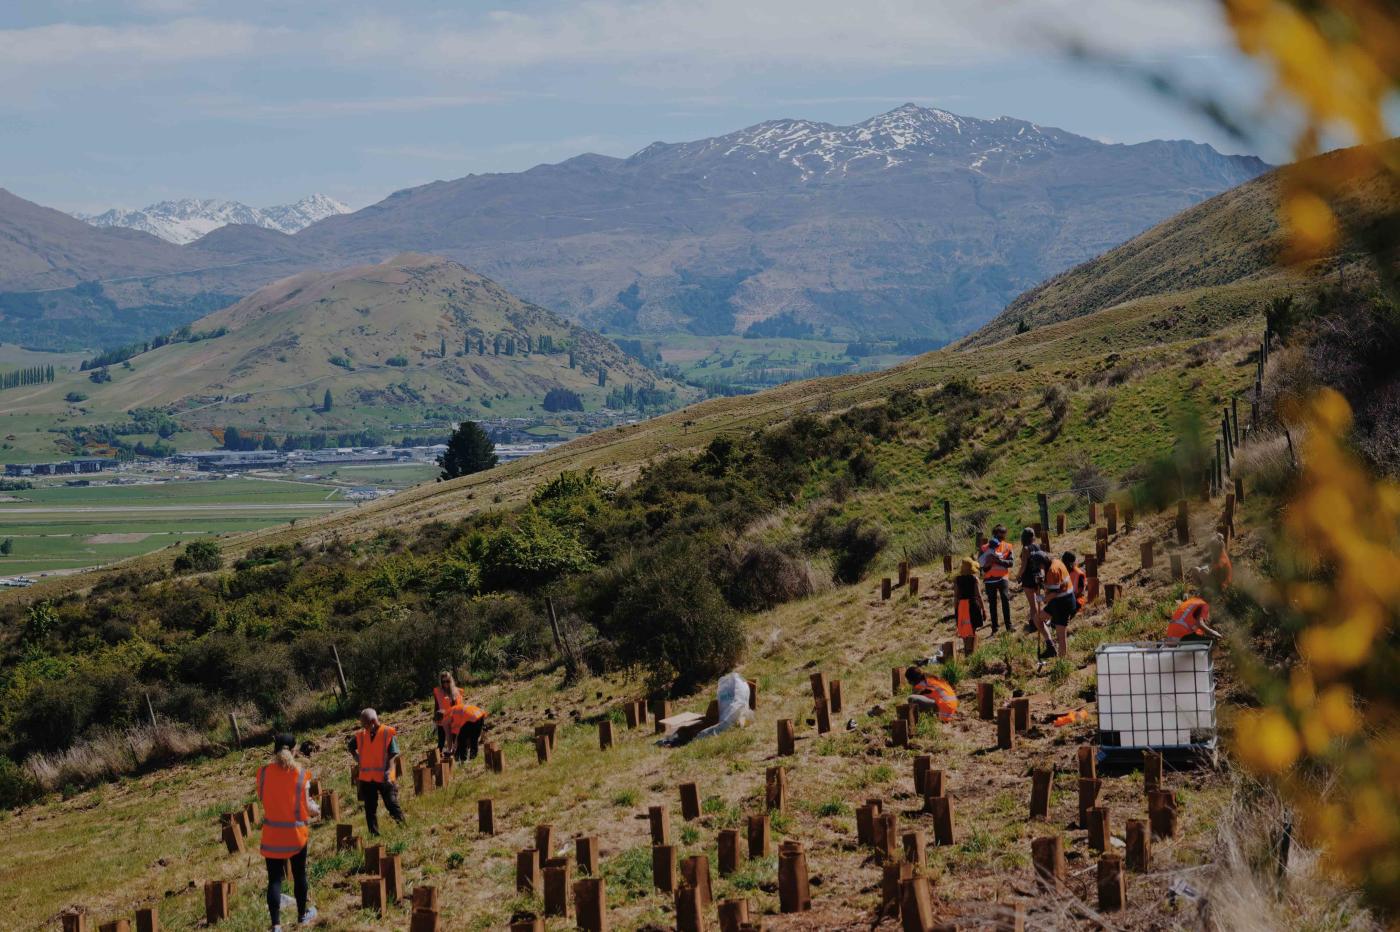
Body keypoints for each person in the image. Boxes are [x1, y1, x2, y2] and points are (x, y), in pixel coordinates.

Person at [257, 733, 319, 930]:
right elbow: (307, 806)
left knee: (274, 879)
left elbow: (262, 797)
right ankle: (302, 915)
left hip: (272, 835)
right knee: (300, 874)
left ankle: (276, 926)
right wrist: (316, 810)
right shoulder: (301, 774)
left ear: (274, 750)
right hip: (295, 835)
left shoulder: (263, 773)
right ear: (294, 750)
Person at [345, 709, 405, 837]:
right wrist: (356, 757)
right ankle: (374, 835)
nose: (363, 728)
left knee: (391, 803)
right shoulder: (361, 735)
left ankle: (403, 827)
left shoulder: (387, 732)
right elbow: (350, 746)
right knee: (370, 809)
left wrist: (388, 771)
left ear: (372, 722)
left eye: (365, 724)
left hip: (384, 777)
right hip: (367, 778)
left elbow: (393, 753)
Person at [1038, 551, 1077, 659]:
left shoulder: (1052, 570)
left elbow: (1054, 593)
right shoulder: (1055, 561)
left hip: (1063, 603)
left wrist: (1042, 598)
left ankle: (1062, 663)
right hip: (1058, 601)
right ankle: (1050, 646)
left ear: (1042, 563)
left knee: (1061, 636)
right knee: (1038, 618)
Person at [978, 525, 1015, 633]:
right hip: (989, 579)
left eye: (1003, 537)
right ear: (994, 534)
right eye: (999, 537)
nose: (1001, 539)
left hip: (1002, 578)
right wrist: (988, 564)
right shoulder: (984, 548)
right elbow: (980, 566)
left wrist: (997, 560)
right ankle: (995, 628)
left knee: (1005, 599)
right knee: (992, 604)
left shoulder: (1008, 546)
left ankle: (1009, 626)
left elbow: (1011, 563)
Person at [1017, 527, 1045, 633]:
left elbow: (1023, 566)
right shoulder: (1037, 546)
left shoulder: (1025, 549)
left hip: (1028, 578)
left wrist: (1018, 576)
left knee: (1032, 604)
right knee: (1039, 601)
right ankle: (1042, 620)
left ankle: (1034, 624)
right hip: (1038, 577)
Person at [952, 557, 987, 641]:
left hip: (962, 606)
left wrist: (956, 609)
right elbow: (978, 595)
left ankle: (967, 647)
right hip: (973, 604)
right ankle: (972, 647)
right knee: (973, 629)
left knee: (964, 629)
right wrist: (984, 609)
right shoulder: (974, 579)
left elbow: (956, 596)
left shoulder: (957, 580)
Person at [431, 671, 463, 752]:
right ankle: (439, 757)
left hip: (454, 718)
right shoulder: (438, 691)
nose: (445, 683)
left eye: (447, 681)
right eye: (443, 681)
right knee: (441, 741)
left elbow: (460, 706)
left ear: (451, 680)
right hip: (442, 718)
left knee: (455, 738)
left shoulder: (457, 691)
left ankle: (455, 754)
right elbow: (436, 705)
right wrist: (434, 718)